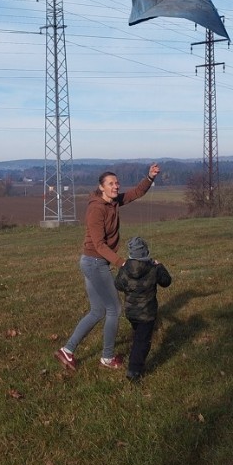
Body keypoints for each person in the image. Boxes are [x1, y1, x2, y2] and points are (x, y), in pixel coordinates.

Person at [54, 163, 160, 371]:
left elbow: (136, 193)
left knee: (97, 311)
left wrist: (150, 177)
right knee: (114, 309)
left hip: (94, 262)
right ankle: (107, 357)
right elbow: (99, 245)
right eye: (111, 183)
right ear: (101, 187)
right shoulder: (96, 209)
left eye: (117, 183)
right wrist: (122, 263)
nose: (115, 186)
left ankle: (67, 350)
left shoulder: (113, 202)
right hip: (94, 263)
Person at [114, 236, 172, 381]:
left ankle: (135, 356)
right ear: (146, 252)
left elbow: (118, 285)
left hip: (130, 313)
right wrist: (160, 266)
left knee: (138, 335)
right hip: (147, 314)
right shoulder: (153, 268)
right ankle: (134, 370)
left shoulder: (125, 269)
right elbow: (166, 282)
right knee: (142, 342)